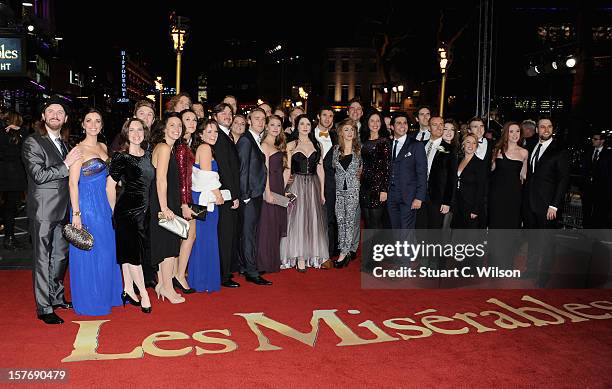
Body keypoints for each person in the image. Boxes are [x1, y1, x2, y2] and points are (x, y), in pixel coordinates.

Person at [22, 95, 82, 324]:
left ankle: (57, 298)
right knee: (41, 259)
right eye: (50, 111)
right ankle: (44, 307)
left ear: (65, 118)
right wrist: (66, 164)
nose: (55, 114)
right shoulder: (33, 142)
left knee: (59, 257)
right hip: (42, 211)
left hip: (63, 210)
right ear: (43, 116)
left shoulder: (66, 144)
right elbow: (38, 175)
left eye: (60, 112)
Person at [67, 109, 123, 316]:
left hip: (103, 203)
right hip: (87, 205)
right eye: (88, 120)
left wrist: (113, 209)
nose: (93, 124)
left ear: (101, 125)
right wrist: (76, 214)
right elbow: (73, 184)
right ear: (82, 124)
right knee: (91, 251)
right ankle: (91, 299)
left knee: (107, 250)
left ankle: (106, 294)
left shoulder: (103, 146)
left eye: (97, 121)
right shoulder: (78, 150)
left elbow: (109, 183)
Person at [107, 118, 154, 313]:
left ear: (144, 132)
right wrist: (113, 212)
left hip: (144, 211)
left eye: (139, 130)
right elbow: (110, 186)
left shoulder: (149, 155)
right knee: (134, 254)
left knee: (129, 251)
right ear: (126, 134)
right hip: (126, 211)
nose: (136, 134)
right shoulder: (121, 157)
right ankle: (143, 293)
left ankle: (127, 288)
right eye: (132, 130)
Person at [523, 118, 570, 286]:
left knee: (547, 242)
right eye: (542, 127)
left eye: (549, 126)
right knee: (533, 238)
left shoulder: (559, 150)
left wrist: (554, 205)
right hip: (530, 202)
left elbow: (563, 180)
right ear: (537, 130)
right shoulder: (532, 146)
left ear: (552, 129)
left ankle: (544, 275)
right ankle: (530, 269)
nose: (546, 129)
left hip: (548, 205)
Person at [281, 114, 329, 271]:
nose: (305, 126)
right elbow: (287, 170)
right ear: (297, 125)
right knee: (297, 220)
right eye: (302, 123)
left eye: (308, 123)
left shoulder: (317, 144)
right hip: (297, 185)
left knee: (312, 220)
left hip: (313, 185)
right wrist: (282, 190)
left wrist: (322, 192)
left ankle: (312, 255)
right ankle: (299, 257)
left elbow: (321, 170)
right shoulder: (291, 145)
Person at [150, 114, 185, 304]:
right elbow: (161, 179)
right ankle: (167, 287)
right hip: (163, 203)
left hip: (167, 202)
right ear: (164, 128)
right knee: (169, 247)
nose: (177, 128)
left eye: (179, 125)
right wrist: (164, 207)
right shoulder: (163, 148)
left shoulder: (169, 149)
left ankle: (163, 285)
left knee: (167, 246)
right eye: (172, 125)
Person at [236, 108, 272, 285]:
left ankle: (245, 265)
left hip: (255, 193)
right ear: (249, 120)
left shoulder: (255, 140)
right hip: (249, 195)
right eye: (257, 119)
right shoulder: (245, 140)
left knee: (249, 233)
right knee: (248, 233)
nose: (260, 122)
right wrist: (245, 196)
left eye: (263, 119)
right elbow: (242, 170)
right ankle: (251, 271)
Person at [188, 119, 223, 293]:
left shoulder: (202, 148)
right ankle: (204, 281)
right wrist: (218, 194)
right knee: (206, 238)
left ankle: (199, 279)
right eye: (209, 131)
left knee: (203, 238)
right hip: (206, 198)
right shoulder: (206, 148)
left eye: (215, 131)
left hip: (201, 197)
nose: (213, 135)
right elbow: (207, 176)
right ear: (200, 134)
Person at [212, 103, 241, 288]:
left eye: (230, 113)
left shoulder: (225, 136)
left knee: (228, 233)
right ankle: (223, 275)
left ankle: (226, 271)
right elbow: (225, 170)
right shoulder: (219, 137)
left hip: (226, 193)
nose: (227, 115)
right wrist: (234, 195)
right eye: (223, 112)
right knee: (225, 234)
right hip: (225, 194)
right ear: (215, 116)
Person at [256, 115, 288, 273]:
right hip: (269, 188)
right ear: (266, 127)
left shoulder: (277, 145)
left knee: (275, 224)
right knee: (267, 225)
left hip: (279, 186)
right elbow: (265, 171)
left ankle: (273, 260)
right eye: (272, 125)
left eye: (279, 125)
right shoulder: (264, 145)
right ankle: (264, 262)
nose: (276, 128)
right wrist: (267, 192)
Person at [173, 109, 198, 294]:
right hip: (184, 198)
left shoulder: (187, 144)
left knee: (183, 237)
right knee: (189, 236)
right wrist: (184, 203)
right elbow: (182, 177)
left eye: (194, 119)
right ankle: (180, 276)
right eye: (187, 119)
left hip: (186, 196)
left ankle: (177, 274)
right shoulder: (182, 148)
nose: (192, 122)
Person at [387, 112, 427, 229]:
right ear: (392, 127)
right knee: (395, 230)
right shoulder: (387, 144)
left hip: (409, 196)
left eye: (405, 123)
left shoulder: (416, 145)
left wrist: (419, 197)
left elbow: (422, 173)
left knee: (406, 232)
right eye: (399, 123)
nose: (402, 126)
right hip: (391, 196)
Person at [416, 116, 457, 229]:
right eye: (435, 124)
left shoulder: (449, 149)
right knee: (419, 231)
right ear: (429, 128)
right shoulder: (420, 145)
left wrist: (447, 202)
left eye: (441, 124)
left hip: (437, 198)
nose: (439, 127)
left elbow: (452, 178)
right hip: (419, 196)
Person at [332, 119, 362, 268]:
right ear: (341, 132)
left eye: (352, 130)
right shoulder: (336, 150)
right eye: (346, 130)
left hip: (353, 192)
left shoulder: (359, 150)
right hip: (339, 191)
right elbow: (334, 168)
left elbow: (364, 169)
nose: (350, 133)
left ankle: (344, 253)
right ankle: (343, 249)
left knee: (349, 222)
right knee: (340, 221)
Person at [488, 122, 528, 229]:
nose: (515, 134)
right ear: (506, 133)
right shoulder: (498, 150)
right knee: (496, 223)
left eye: (517, 131)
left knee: (511, 224)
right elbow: (490, 170)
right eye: (511, 131)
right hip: (497, 194)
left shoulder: (524, 152)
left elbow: (524, 175)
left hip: (514, 194)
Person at [0, 111, 28, 250]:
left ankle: (9, 237)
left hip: (7, 175)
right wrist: (21, 130)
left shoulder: (6, 133)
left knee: (8, 208)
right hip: (14, 176)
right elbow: (30, 143)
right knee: (10, 208)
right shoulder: (19, 135)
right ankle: (9, 238)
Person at [360, 109, 391, 229]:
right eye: (372, 121)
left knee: (376, 224)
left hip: (377, 187)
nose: (375, 123)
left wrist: (384, 190)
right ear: (367, 123)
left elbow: (387, 167)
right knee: (368, 222)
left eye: (378, 121)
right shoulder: (364, 141)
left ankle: (376, 247)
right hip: (365, 186)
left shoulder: (384, 141)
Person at [315, 106, 338, 264]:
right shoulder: (307, 133)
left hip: (331, 182)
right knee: (310, 217)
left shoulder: (337, 136)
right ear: (318, 116)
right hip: (309, 180)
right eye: (325, 115)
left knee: (329, 217)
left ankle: (328, 252)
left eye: (330, 116)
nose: (327, 118)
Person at [452, 133, 487, 229]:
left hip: (471, 206)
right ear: (463, 144)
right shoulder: (459, 160)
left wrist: (475, 209)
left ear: (476, 146)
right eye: (468, 142)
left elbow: (481, 188)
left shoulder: (480, 163)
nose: (471, 145)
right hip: (458, 205)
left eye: (474, 143)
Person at [581, 133, 612, 228]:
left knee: (599, 212)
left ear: (602, 141)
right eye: (592, 138)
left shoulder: (608, 154)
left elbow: (608, 173)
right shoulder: (588, 152)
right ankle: (586, 230)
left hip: (601, 190)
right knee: (586, 210)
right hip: (587, 189)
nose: (592, 140)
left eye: (595, 139)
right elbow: (584, 170)